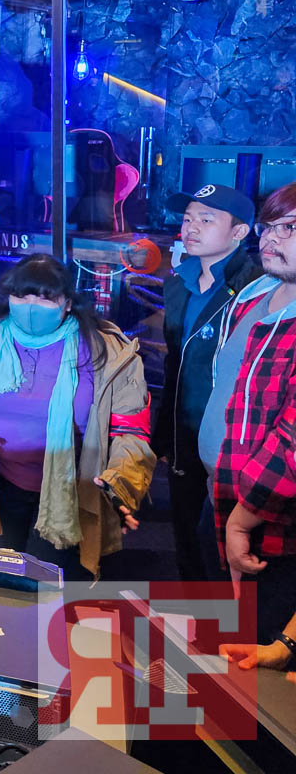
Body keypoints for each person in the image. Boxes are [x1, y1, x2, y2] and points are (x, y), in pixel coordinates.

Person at [0, 254, 154, 580]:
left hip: (72, 492)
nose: (31, 307)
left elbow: (130, 429)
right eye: (22, 296)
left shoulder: (105, 350)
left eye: (45, 298)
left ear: (68, 304)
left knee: (43, 583)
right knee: (13, 574)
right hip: (4, 486)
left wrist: (122, 482)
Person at [200, 181, 296, 644]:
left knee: (259, 654)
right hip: (220, 497)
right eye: (269, 227)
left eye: (290, 227)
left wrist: (245, 515)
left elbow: (292, 437)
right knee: (222, 639)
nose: (272, 238)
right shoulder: (258, 295)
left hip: (269, 519)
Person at [156, 184, 260, 581]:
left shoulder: (258, 289)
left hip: (232, 444)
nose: (191, 228)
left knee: (224, 550)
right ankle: (195, 617)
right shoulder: (177, 282)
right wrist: (163, 437)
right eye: (187, 219)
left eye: (206, 219)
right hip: (184, 435)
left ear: (239, 232)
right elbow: (175, 364)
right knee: (185, 541)